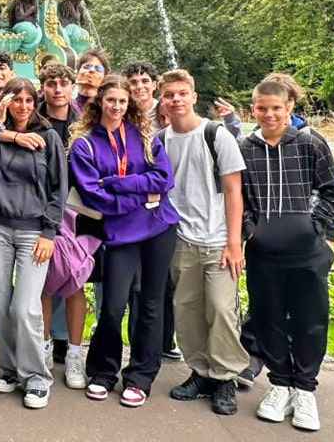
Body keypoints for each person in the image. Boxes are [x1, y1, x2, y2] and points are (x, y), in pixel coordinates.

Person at [240, 80, 334, 432]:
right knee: (267, 316)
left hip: (306, 252)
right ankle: (280, 382)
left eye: (276, 108)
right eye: (261, 108)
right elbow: (236, 197)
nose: (269, 114)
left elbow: (333, 192)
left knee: (309, 319)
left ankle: (305, 388)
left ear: (289, 108)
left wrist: (317, 230)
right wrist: (251, 229)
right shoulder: (245, 147)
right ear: (252, 109)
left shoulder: (309, 142)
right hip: (263, 252)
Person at [69, 74, 178, 408]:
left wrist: (119, 183)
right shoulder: (84, 142)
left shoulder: (145, 135)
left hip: (159, 227)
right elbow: (91, 193)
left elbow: (164, 179)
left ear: (129, 103)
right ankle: (103, 372)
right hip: (120, 232)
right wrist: (142, 195)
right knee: (113, 306)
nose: (117, 107)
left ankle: (140, 376)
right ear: (100, 101)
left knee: (150, 303)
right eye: (111, 100)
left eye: (123, 101)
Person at [157, 69, 248, 416]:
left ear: (193, 96)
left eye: (182, 93)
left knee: (222, 309)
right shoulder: (161, 139)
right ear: (162, 100)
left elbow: (233, 190)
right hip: (181, 239)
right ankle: (200, 372)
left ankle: (224, 376)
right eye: (169, 95)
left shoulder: (216, 134)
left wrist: (234, 241)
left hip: (217, 239)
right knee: (188, 309)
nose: (176, 99)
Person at [0, 78, 67, 409]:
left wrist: (49, 232)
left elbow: (59, 188)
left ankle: (37, 377)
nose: (24, 106)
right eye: (17, 100)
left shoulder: (49, 138)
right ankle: (12, 370)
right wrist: (0, 125)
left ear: (36, 102)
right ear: (7, 102)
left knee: (24, 307)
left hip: (33, 232)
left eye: (29, 100)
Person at [36, 61, 92, 385]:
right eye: (51, 83)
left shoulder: (85, 123)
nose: (57, 89)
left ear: (72, 86)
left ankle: (73, 354)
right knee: (41, 280)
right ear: (43, 86)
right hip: (41, 209)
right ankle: (43, 348)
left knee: (76, 279)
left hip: (80, 211)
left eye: (63, 83)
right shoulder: (34, 120)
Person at [122, 61, 179, 361]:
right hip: (136, 208)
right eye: (133, 81)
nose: (139, 86)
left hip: (169, 207)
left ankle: (163, 342)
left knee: (163, 283)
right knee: (137, 285)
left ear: (154, 84)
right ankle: (141, 345)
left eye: (144, 80)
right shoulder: (124, 115)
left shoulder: (168, 112)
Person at [72, 49, 109, 114]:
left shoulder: (107, 109)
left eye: (98, 69)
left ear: (104, 78)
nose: (92, 70)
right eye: (87, 67)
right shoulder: (66, 105)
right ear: (76, 73)